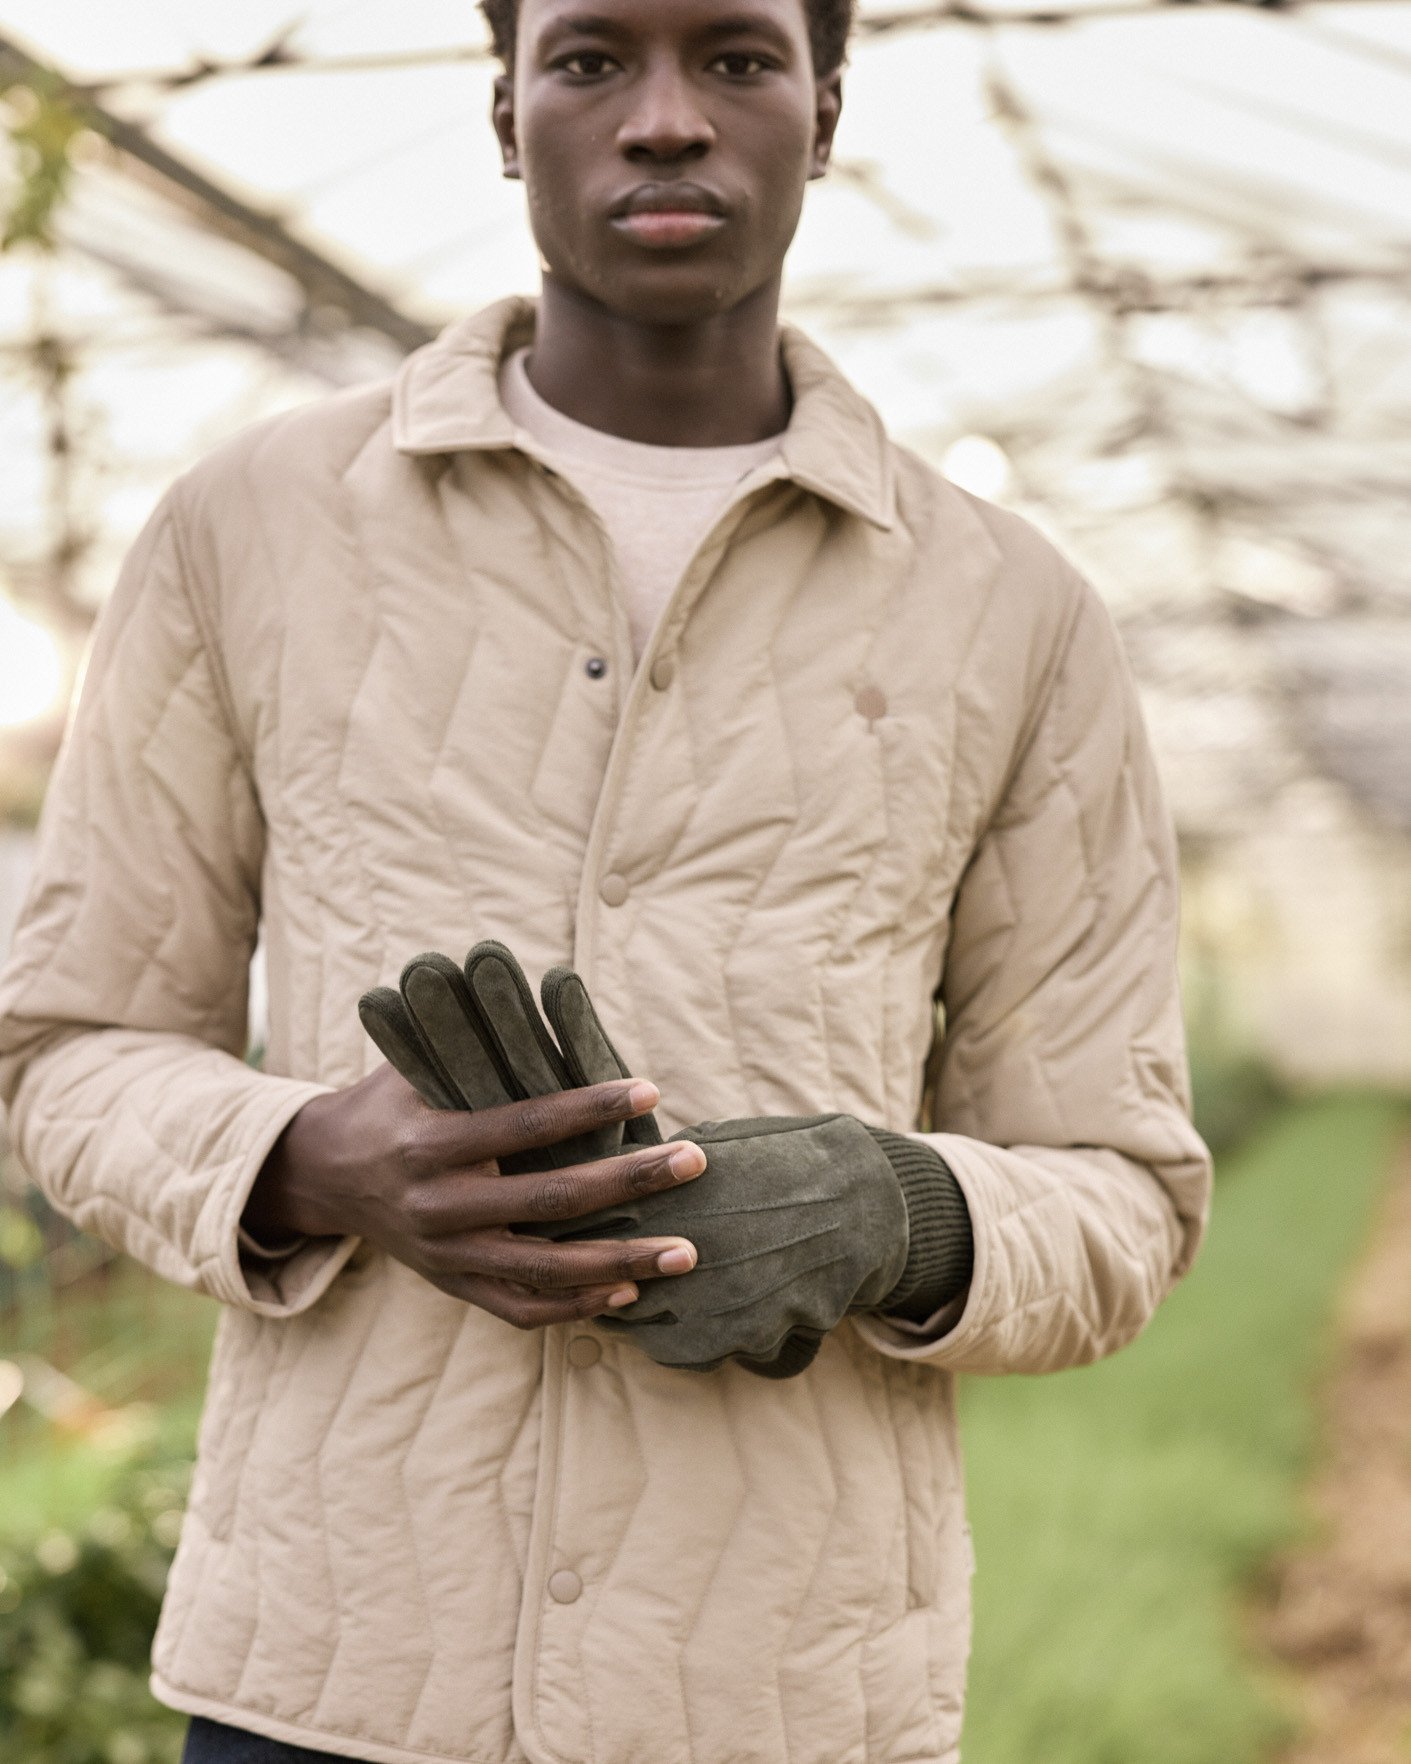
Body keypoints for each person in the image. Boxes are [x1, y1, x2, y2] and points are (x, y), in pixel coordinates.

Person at [0, 0, 1213, 1759]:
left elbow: (1124, 1187)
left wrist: (907, 1213)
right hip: (331, 1677)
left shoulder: (1009, 613)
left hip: (787, 1694)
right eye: (590, 61)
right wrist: (310, 1157)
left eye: (734, 58)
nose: (663, 120)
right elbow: (66, 1048)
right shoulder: (250, 529)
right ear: (505, 111)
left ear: (827, 108)